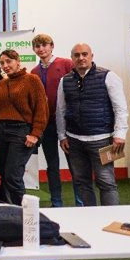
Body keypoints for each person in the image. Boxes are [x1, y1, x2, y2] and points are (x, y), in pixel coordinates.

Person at [57, 43, 128, 206]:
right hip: (74, 141)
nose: (80, 58)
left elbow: (121, 108)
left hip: (103, 140)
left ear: (91, 56)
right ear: (72, 58)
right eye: (76, 55)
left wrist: (120, 135)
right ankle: (89, 220)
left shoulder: (109, 76)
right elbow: (60, 110)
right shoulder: (64, 81)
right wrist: (62, 136)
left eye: (84, 54)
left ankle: (110, 220)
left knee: (107, 183)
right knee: (82, 182)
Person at [0, 49, 49, 205]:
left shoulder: (32, 80)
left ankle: (23, 214)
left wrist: (35, 134)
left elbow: (42, 109)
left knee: (13, 176)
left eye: (9, 61)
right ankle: (7, 211)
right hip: (0, 132)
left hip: (20, 132)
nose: (5, 65)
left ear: (18, 61)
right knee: (2, 173)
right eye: (2, 63)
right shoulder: (2, 83)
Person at [31, 33, 80, 207]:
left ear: (52, 46)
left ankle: (80, 203)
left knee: (75, 165)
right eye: (37, 46)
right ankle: (56, 202)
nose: (41, 49)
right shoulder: (34, 72)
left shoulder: (66, 64)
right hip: (46, 124)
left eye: (44, 45)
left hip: (68, 122)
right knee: (52, 165)